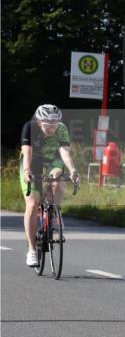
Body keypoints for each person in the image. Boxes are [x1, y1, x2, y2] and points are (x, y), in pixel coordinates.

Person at [21, 104, 79, 267]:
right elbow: (27, 153)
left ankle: (53, 213)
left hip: (52, 160)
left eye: (55, 124)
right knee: (32, 204)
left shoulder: (61, 129)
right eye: (48, 125)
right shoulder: (30, 127)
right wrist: (27, 172)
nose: (52, 128)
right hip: (33, 162)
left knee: (59, 181)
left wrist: (72, 169)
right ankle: (32, 250)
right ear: (39, 122)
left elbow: (64, 152)